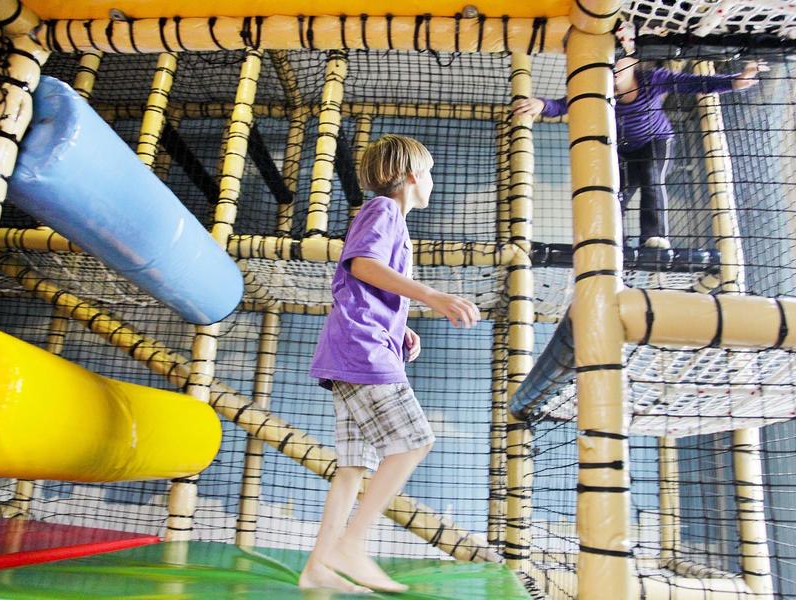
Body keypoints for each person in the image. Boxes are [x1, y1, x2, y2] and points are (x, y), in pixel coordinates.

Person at [299, 134, 481, 593]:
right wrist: (432, 295)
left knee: (352, 466)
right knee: (414, 441)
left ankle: (319, 566)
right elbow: (360, 265)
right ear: (415, 177)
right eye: (432, 173)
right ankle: (352, 545)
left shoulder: (390, 219)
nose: (433, 181)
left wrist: (400, 329)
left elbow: (365, 286)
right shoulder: (384, 211)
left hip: (353, 349)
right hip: (361, 350)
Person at [515, 56, 768, 249]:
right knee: (615, 195)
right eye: (608, 70)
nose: (612, 75)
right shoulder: (594, 88)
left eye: (618, 69)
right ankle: (616, 244)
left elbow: (693, 83)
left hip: (656, 141)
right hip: (623, 151)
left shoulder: (651, 79)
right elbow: (562, 105)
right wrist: (541, 104)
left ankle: (654, 236)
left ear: (632, 66)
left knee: (651, 176)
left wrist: (735, 81)